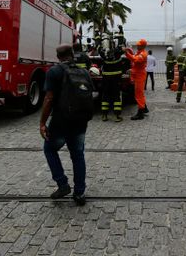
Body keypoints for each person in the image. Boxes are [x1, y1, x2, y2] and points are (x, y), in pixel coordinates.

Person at [40, 44, 92, 205]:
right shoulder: (84, 72)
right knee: (77, 155)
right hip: (80, 120)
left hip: (61, 120)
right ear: (72, 55)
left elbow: (49, 98)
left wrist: (42, 122)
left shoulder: (54, 71)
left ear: (58, 57)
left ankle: (62, 184)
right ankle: (79, 193)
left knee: (49, 149)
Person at [125, 39, 148, 120]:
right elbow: (134, 61)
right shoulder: (139, 53)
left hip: (140, 75)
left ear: (143, 46)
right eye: (137, 44)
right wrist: (132, 70)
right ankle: (144, 109)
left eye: (139, 45)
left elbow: (135, 60)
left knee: (138, 94)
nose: (137, 46)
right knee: (140, 93)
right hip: (138, 74)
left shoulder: (143, 54)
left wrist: (126, 53)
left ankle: (140, 113)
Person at [100, 47, 125, 122]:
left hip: (106, 82)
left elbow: (101, 53)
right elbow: (121, 53)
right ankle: (117, 116)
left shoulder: (105, 60)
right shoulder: (118, 60)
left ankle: (104, 115)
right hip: (116, 82)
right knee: (116, 97)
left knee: (105, 97)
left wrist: (101, 49)